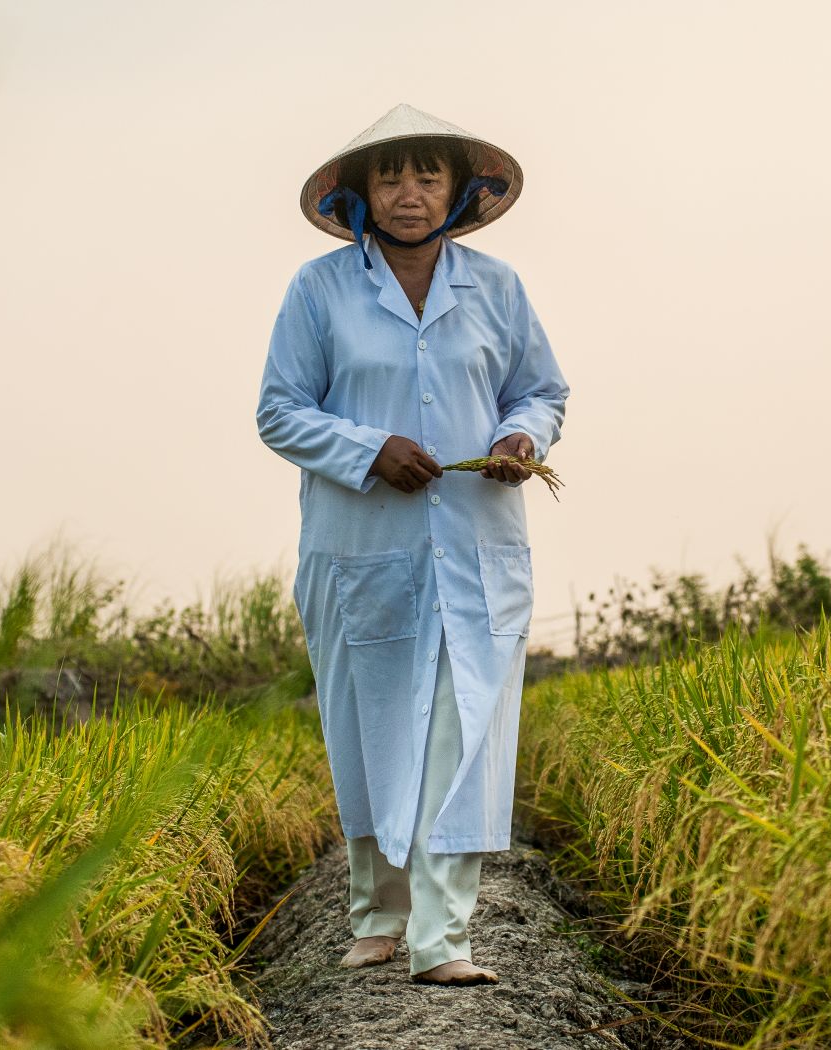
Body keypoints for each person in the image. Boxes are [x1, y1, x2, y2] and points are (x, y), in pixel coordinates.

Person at [256, 103, 568, 986]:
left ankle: (445, 939)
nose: (409, 194)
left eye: (428, 175)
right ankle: (375, 913)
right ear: (358, 194)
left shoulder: (498, 288)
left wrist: (521, 441)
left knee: (460, 734)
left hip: (475, 545)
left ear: (458, 190)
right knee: (372, 727)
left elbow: (540, 391)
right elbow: (279, 410)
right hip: (361, 548)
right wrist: (368, 451)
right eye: (390, 176)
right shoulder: (319, 290)